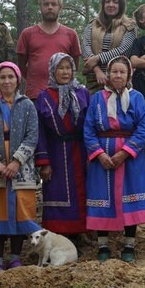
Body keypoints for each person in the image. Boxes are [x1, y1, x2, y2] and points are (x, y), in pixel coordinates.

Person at [83, 54, 145, 261]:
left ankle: (129, 246)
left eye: (122, 71)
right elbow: (88, 129)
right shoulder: (97, 98)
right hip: (101, 159)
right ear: (108, 74)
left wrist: (126, 152)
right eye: (114, 71)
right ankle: (103, 246)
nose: (118, 75)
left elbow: (143, 128)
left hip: (131, 159)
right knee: (102, 197)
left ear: (129, 74)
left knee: (130, 197)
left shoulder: (137, 98)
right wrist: (100, 154)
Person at [0, 62, 41, 274]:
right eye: (2, 77)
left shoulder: (27, 105)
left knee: (21, 213)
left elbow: (32, 136)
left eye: (10, 77)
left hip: (21, 168)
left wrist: (16, 162)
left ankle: (15, 258)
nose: (7, 81)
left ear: (17, 79)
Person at [33, 52, 91, 238]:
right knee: (57, 191)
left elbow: (91, 125)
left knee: (83, 189)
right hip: (56, 152)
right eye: (60, 68)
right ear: (52, 70)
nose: (65, 72)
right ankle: (60, 234)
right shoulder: (44, 97)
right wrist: (44, 162)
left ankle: (82, 232)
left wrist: (92, 154)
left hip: (80, 149)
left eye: (68, 68)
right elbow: (40, 131)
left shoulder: (83, 93)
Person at [16, 0, 82, 99]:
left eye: (54, 4)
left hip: (62, 96)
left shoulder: (71, 34)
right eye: (46, 4)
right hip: (35, 95)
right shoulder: (27, 34)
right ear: (40, 8)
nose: (50, 7)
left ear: (60, 8)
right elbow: (21, 65)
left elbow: (74, 65)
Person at [80, 0, 135, 89]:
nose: (111, 5)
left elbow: (123, 50)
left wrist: (98, 58)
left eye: (115, 2)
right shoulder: (92, 25)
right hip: (94, 81)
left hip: (119, 82)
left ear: (121, 5)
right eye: (107, 1)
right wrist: (97, 70)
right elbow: (85, 47)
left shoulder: (129, 26)